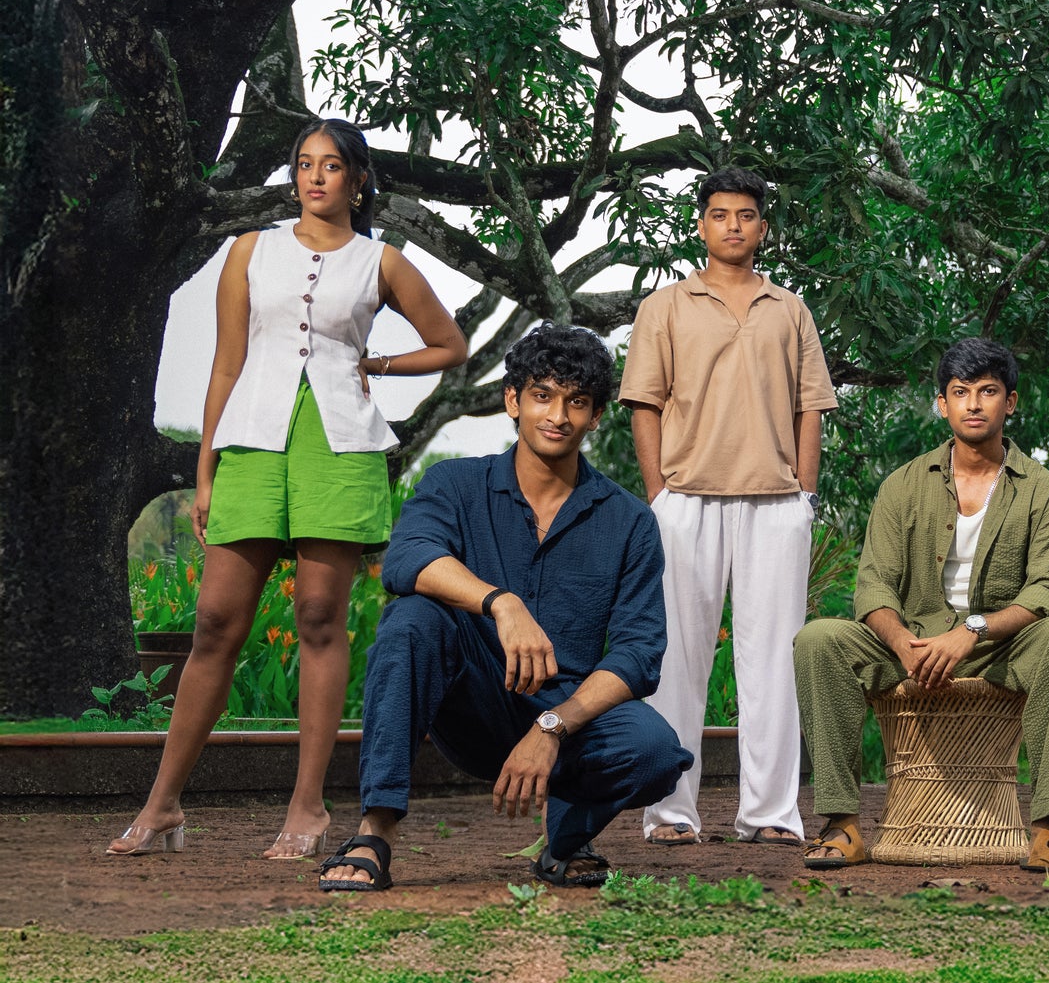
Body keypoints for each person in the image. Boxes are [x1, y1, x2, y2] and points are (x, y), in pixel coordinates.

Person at [110, 119, 468, 859]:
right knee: (214, 620)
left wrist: (382, 365)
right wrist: (205, 472)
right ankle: (164, 802)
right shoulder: (252, 250)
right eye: (305, 164)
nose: (315, 177)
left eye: (331, 165)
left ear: (358, 178)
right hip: (253, 443)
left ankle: (308, 808)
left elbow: (450, 342)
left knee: (317, 616)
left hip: (339, 449)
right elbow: (223, 365)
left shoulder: (382, 262)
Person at [317, 324, 693, 891]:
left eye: (577, 402)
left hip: (571, 716)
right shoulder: (456, 483)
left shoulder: (630, 521)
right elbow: (407, 559)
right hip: (473, 703)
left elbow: (640, 654)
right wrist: (501, 603)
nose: (558, 415)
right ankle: (375, 830)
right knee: (412, 618)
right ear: (513, 400)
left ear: (594, 417)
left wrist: (553, 725)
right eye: (543, 395)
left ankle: (566, 840)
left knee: (657, 753)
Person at [792, 339, 1049, 873]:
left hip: (998, 648)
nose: (974, 404)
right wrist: (902, 645)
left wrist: (973, 630)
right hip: (910, 641)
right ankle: (841, 825)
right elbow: (874, 588)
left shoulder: (1044, 490)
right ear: (942, 404)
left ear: (1012, 402)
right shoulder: (903, 485)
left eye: (988, 391)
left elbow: (1047, 591)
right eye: (961, 392)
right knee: (818, 640)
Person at [619, 168, 838, 847]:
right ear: (701, 224)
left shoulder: (790, 308)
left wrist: (804, 494)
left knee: (774, 659)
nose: (734, 225)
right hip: (685, 500)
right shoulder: (666, 306)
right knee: (678, 660)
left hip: (775, 504)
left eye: (747, 215)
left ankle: (770, 813)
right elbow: (644, 405)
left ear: (763, 228)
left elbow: (811, 407)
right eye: (720, 214)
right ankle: (670, 811)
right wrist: (658, 492)